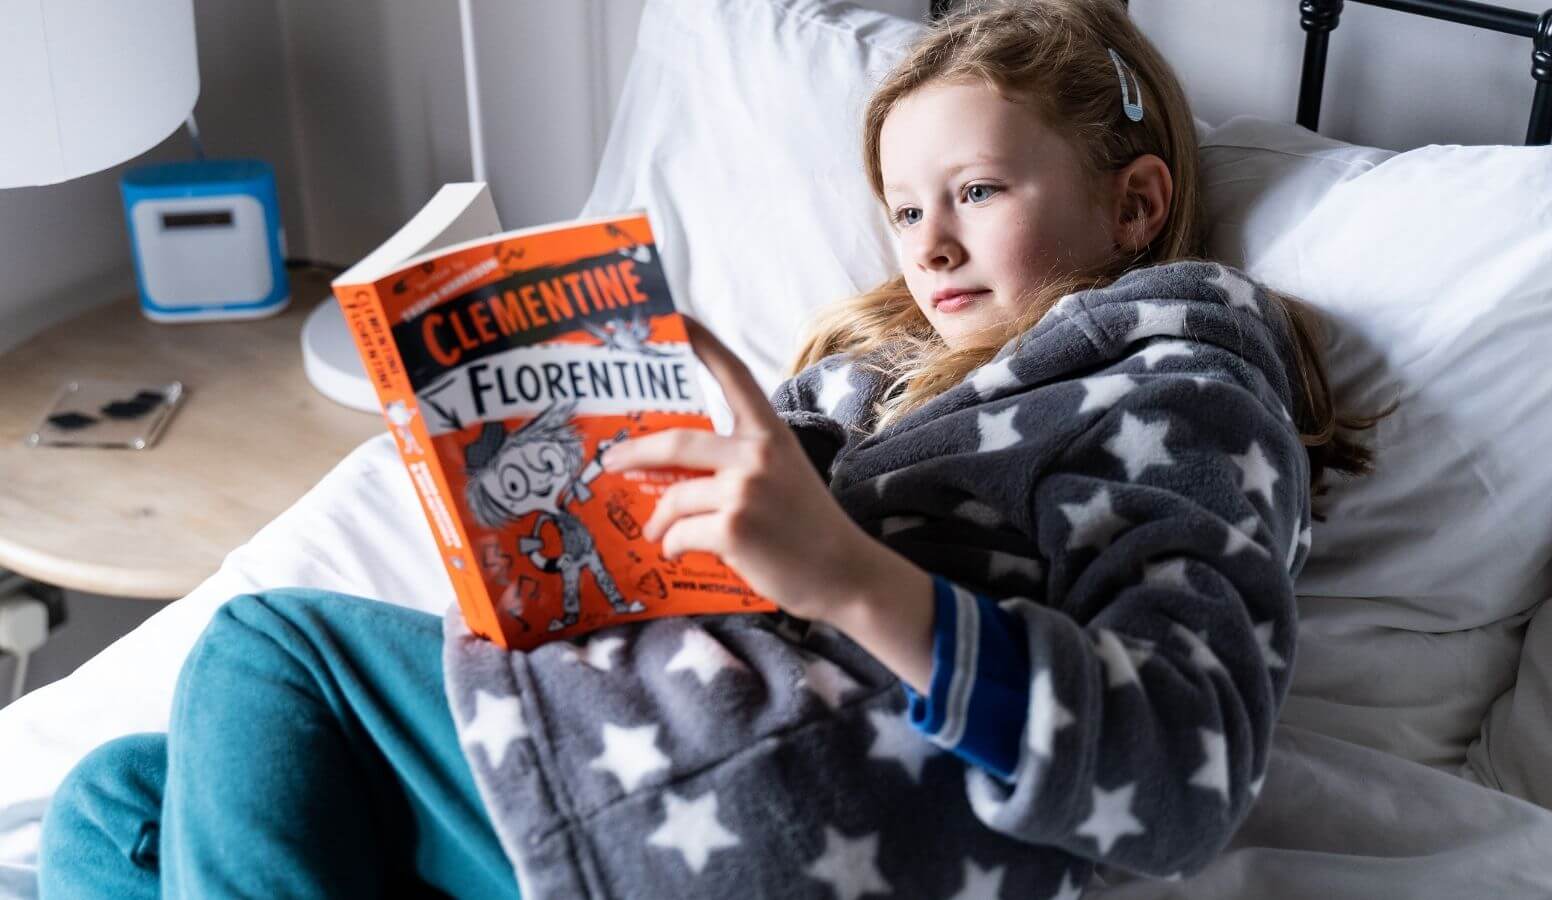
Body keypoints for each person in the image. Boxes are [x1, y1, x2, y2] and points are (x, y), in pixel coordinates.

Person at [38, 1, 1387, 897]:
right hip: (672, 745)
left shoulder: (1181, 393)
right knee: (113, 808)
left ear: (1138, 202)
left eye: (977, 191)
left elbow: (1182, 764)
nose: (926, 243)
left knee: (272, 654)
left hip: (793, 805)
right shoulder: (870, 378)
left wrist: (850, 579)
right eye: (905, 205)